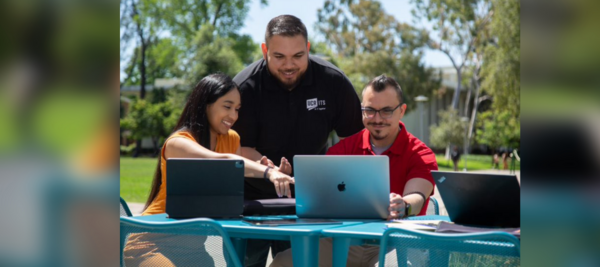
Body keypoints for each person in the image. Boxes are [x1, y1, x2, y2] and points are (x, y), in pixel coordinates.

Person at [231, 15, 364, 266]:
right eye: (279, 56)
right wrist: (266, 170)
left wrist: (332, 179)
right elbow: (235, 148)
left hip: (309, 202)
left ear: (308, 48)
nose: (289, 65)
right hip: (249, 202)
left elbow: (355, 142)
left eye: (298, 56)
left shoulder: (333, 82)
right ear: (264, 50)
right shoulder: (244, 88)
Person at [123, 73, 295, 266]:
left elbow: (234, 176)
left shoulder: (231, 139)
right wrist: (269, 173)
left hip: (195, 248)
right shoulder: (178, 143)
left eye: (237, 109)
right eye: (227, 106)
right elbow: (222, 161)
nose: (233, 116)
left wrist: (272, 170)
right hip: (151, 243)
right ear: (205, 104)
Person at [270, 75, 438, 267]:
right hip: (345, 241)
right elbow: (319, 197)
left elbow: (417, 196)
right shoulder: (343, 149)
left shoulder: (420, 153)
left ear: (402, 111)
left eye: (386, 111)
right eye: (370, 111)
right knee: (283, 262)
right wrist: (293, 181)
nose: (377, 119)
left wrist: (403, 205)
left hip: (398, 242)